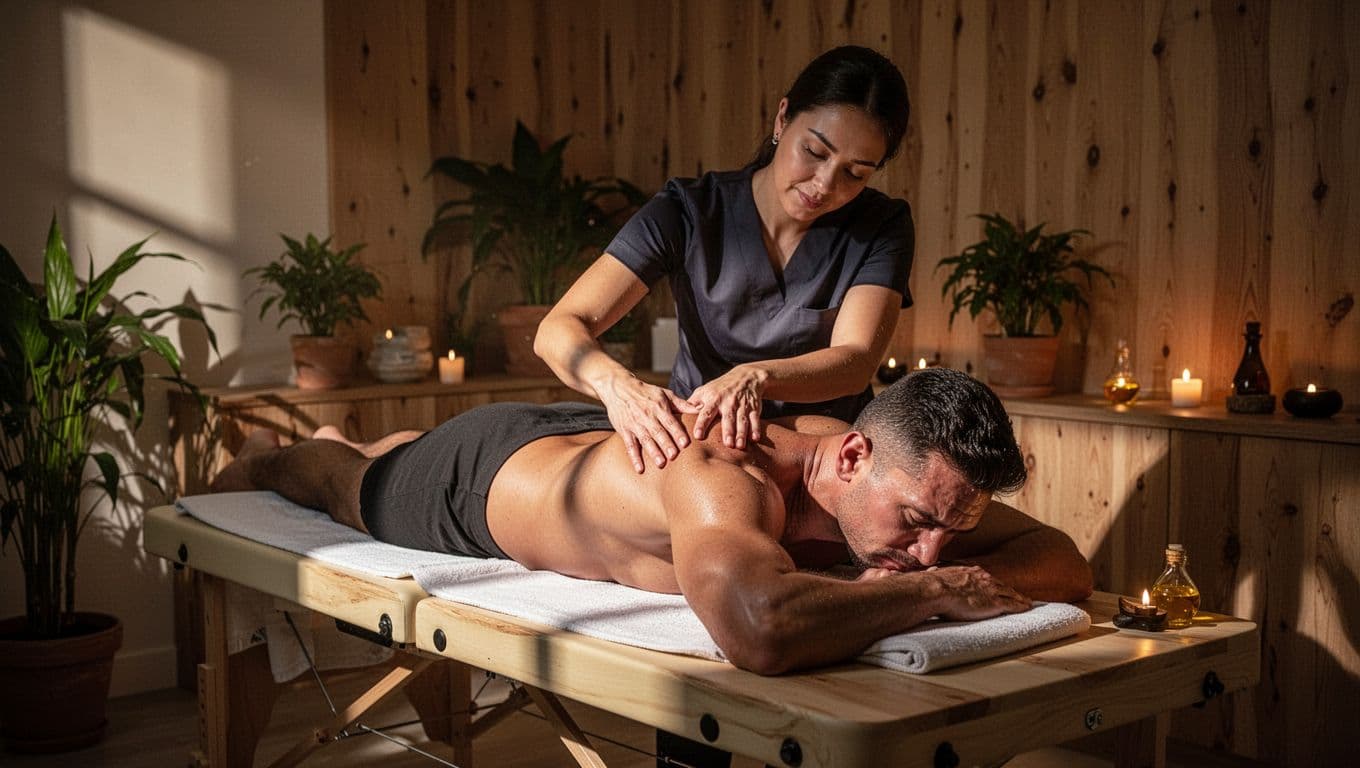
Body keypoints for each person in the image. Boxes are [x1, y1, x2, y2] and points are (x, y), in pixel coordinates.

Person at [212, 368, 1093, 675]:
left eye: (950, 529)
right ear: (855, 460)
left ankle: (380, 440)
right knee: (349, 482)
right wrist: (937, 593)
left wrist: (937, 568)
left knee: (391, 448)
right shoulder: (727, 480)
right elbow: (757, 629)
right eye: (917, 525)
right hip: (482, 478)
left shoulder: (900, 487)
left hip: (584, 449)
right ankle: (279, 451)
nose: (933, 547)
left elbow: (1062, 560)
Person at [535, 45, 915, 474]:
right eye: (814, 151)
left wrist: (756, 376)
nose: (825, 184)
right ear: (782, 118)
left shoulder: (882, 225)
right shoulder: (688, 211)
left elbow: (856, 360)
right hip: (703, 450)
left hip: (826, 458)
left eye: (855, 173)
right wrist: (619, 388)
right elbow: (558, 328)